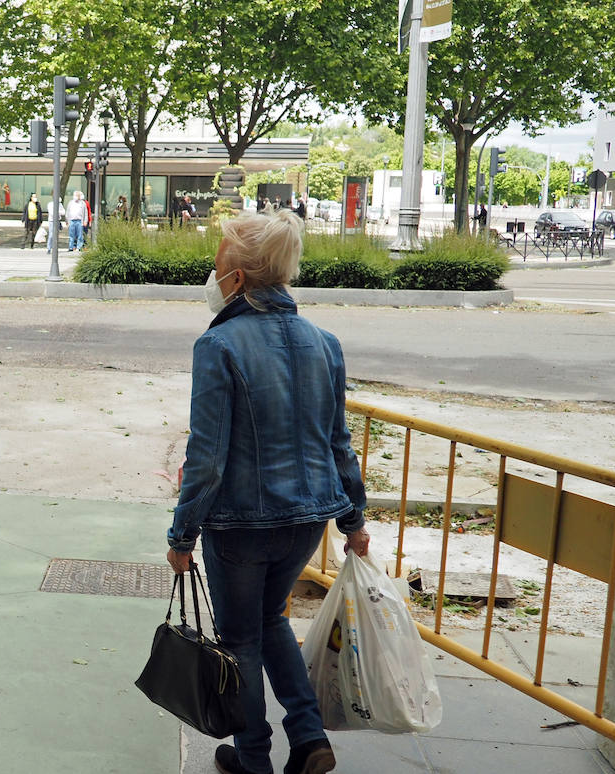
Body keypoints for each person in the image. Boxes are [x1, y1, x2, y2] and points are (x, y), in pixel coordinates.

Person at [165, 209, 369, 774]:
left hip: (240, 526)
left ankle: (253, 759)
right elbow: (338, 441)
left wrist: (182, 533)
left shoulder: (220, 345)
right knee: (270, 617)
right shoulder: (324, 343)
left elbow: (205, 457)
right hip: (309, 520)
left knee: (240, 640)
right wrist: (354, 522)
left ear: (237, 276)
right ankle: (308, 738)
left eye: (217, 262)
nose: (212, 272)